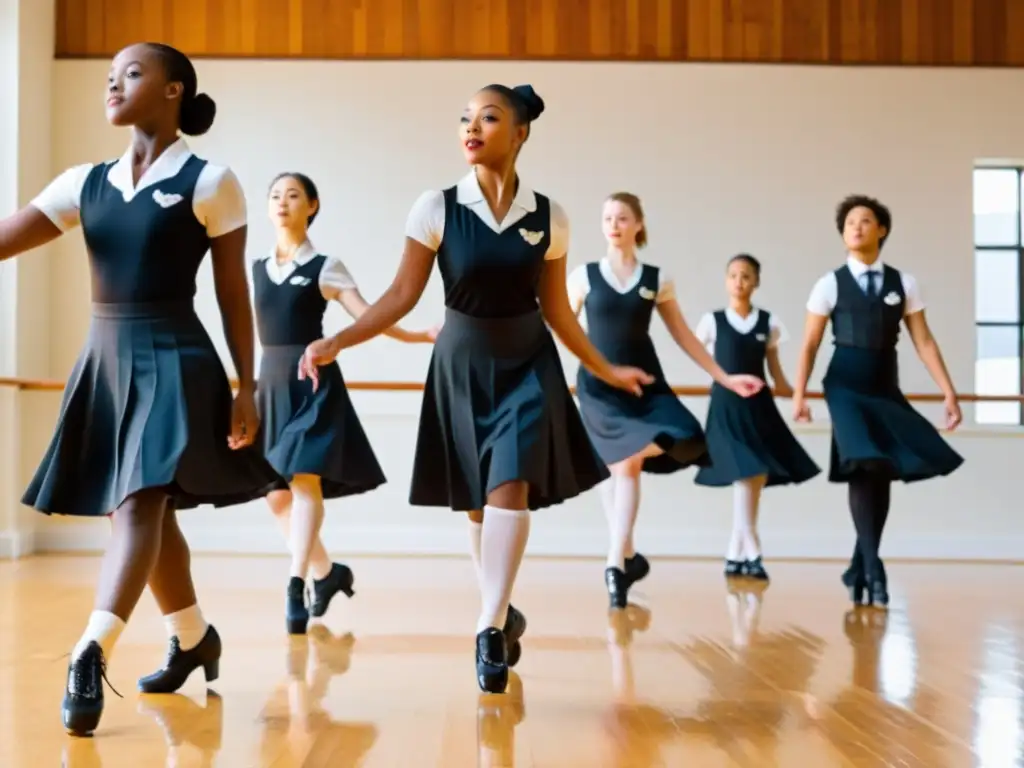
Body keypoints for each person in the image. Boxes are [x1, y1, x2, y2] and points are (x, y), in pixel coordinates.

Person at [297, 83, 652, 694]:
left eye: (489, 117)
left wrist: (605, 368)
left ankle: (488, 625)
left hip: (527, 364)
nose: (472, 126)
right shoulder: (435, 207)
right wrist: (339, 340)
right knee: (476, 504)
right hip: (459, 365)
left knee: (510, 482)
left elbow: (560, 314)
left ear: (519, 134)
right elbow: (401, 295)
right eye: (465, 118)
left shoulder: (551, 217)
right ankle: (501, 606)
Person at [0, 42, 284, 736]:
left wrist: (246, 386)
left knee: (138, 503)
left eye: (131, 72)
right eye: (110, 74)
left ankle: (89, 650)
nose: (114, 82)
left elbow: (231, 295)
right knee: (145, 511)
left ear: (174, 90)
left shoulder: (212, 181)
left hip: (174, 356)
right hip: (104, 358)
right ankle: (193, 640)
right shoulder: (84, 181)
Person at [255, 171, 435, 634]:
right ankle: (327, 573)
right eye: (275, 195)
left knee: (302, 478)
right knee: (276, 496)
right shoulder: (257, 268)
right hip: (270, 386)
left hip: (312, 384)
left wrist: (415, 336)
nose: (282, 202)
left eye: (293, 195)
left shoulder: (326, 267)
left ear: (312, 205)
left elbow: (371, 316)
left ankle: (295, 585)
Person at [568, 193, 764, 608]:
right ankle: (616, 564)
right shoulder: (583, 276)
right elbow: (563, 330)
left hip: (646, 386)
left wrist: (725, 378)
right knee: (622, 463)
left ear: (638, 224)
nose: (613, 224)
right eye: (607, 217)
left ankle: (624, 556)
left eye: (622, 217)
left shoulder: (656, 278)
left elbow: (684, 335)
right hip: (600, 386)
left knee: (668, 441)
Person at [792, 194, 963, 607]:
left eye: (865, 221)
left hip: (885, 385)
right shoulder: (829, 283)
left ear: (881, 230)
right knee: (863, 461)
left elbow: (923, 340)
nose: (856, 227)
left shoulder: (903, 283)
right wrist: (799, 395)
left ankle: (859, 564)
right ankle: (873, 566)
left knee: (880, 469)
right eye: (850, 222)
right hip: (845, 387)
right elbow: (811, 343)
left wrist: (948, 390)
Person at [693, 254, 820, 581]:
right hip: (726, 405)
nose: (739, 281)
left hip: (758, 407)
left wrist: (797, 397)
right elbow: (701, 359)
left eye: (746, 275)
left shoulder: (770, 323)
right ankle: (753, 551)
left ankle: (736, 554)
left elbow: (775, 370)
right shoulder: (712, 321)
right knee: (743, 471)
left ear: (756, 282)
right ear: (726, 280)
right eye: (733, 275)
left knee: (754, 475)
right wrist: (725, 379)